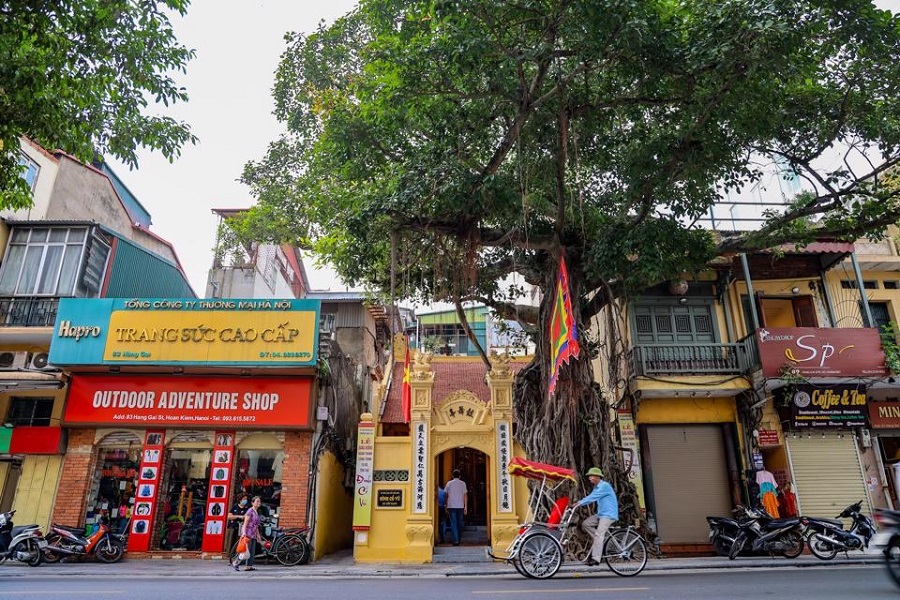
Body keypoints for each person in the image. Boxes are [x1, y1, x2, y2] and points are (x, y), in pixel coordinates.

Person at [573, 467, 618, 566]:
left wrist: (579, 503)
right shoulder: (596, 487)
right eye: (589, 476)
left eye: (591, 476)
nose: (589, 478)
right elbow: (590, 497)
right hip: (601, 514)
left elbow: (593, 498)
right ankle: (601, 541)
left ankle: (596, 559)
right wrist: (578, 503)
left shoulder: (604, 486)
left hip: (608, 515)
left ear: (598, 477)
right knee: (586, 524)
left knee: (598, 535)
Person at [232, 496, 262, 572]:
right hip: (248, 532)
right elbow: (245, 523)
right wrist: (244, 533)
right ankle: (236, 562)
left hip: (254, 533)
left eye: (259, 501)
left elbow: (256, 525)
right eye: (257, 501)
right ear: (252, 502)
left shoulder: (256, 511)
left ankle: (248, 566)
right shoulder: (250, 511)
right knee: (245, 550)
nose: (259, 503)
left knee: (252, 551)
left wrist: (258, 535)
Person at [444, 469, 467, 546]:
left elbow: (446, 495)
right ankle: (458, 538)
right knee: (460, 523)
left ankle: (456, 540)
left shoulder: (449, 483)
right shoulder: (463, 483)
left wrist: (446, 505)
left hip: (451, 506)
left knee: (453, 523)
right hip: (460, 506)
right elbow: (465, 496)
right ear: (460, 476)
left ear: (452, 476)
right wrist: (465, 506)